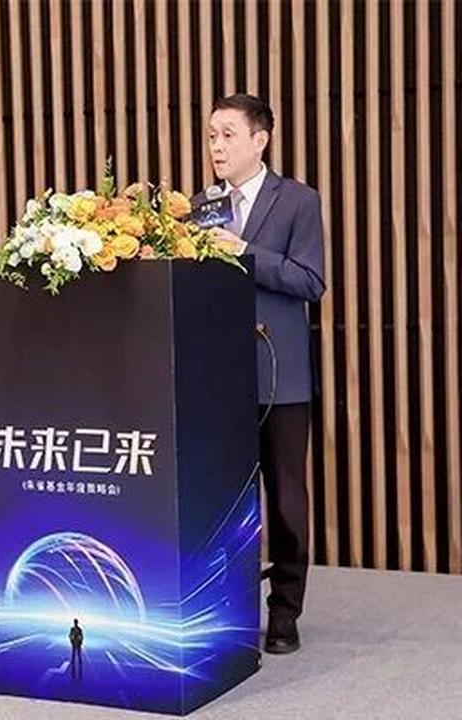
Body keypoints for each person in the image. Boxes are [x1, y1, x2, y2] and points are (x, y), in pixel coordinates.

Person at [199, 93, 325, 654]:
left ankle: (285, 612)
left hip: (282, 377)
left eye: (228, 134)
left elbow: (311, 281)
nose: (217, 146)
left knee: (285, 496)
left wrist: (245, 251)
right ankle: (231, 607)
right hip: (219, 377)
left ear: (260, 140)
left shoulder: (297, 200)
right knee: (225, 499)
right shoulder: (202, 206)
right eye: (211, 135)